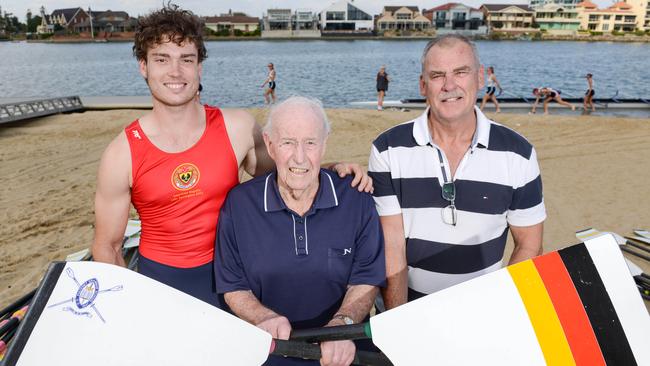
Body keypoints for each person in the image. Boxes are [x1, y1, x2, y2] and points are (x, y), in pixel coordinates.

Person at [91, 5, 371, 308]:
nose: (175, 71)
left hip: (238, 274)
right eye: (162, 59)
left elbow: (287, 171)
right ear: (143, 67)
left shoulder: (237, 128)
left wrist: (331, 168)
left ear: (199, 67)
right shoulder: (122, 153)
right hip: (164, 281)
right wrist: (123, 308)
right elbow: (108, 246)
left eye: (186, 59)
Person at [368, 35, 546, 310]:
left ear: (480, 77)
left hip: (483, 308)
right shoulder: (387, 148)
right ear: (423, 85)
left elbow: (529, 246)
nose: (449, 85)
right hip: (409, 305)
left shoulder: (518, 153)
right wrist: (400, 320)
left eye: (460, 72)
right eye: (437, 75)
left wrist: (504, 309)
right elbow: (392, 246)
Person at [215, 96, 385, 366]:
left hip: (342, 353)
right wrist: (263, 317)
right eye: (288, 143)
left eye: (310, 142)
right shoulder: (240, 204)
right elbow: (233, 286)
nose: (300, 156)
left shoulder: (356, 198)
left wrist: (341, 325)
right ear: (270, 145)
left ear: (324, 144)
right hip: (269, 353)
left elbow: (366, 279)